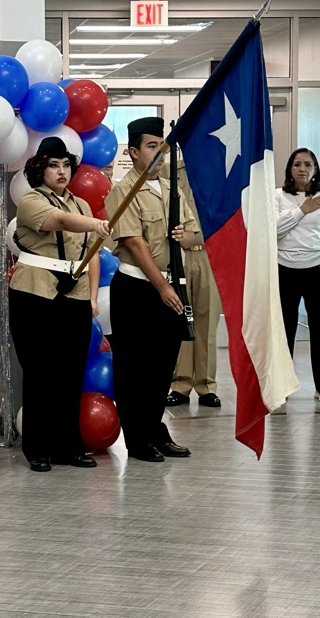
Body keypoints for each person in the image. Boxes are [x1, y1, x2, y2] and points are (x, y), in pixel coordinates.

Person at [9, 137, 110, 472]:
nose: (62, 171)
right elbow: (61, 222)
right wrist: (96, 223)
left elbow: (91, 253)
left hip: (75, 293)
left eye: (66, 165)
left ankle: (68, 445)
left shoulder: (81, 204)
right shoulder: (31, 201)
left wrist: (93, 296)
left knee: (70, 373)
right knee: (40, 373)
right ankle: (38, 448)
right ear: (41, 168)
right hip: (35, 292)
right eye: (54, 164)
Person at [105, 117, 198, 462]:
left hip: (169, 287)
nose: (158, 153)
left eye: (162, 146)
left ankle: (155, 429)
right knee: (135, 368)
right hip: (139, 289)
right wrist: (162, 287)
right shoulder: (124, 190)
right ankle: (138, 439)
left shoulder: (172, 190)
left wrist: (185, 238)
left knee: (162, 367)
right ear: (133, 151)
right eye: (150, 146)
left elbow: (193, 234)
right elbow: (134, 242)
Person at [163, 159, 222, 409]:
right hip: (177, 256)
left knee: (207, 322)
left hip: (210, 255)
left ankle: (206, 385)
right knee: (182, 319)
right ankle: (181, 384)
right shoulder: (168, 170)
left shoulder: (219, 167)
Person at [275, 148, 320, 401]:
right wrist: (301, 210)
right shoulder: (277, 196)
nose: (302, 169)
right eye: (296, 164)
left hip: (318, 269)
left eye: (308, 164)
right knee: (284, 329)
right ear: (289, 169)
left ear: (315, 169)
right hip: (284, 268)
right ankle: (282, 386)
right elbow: (272, 230)